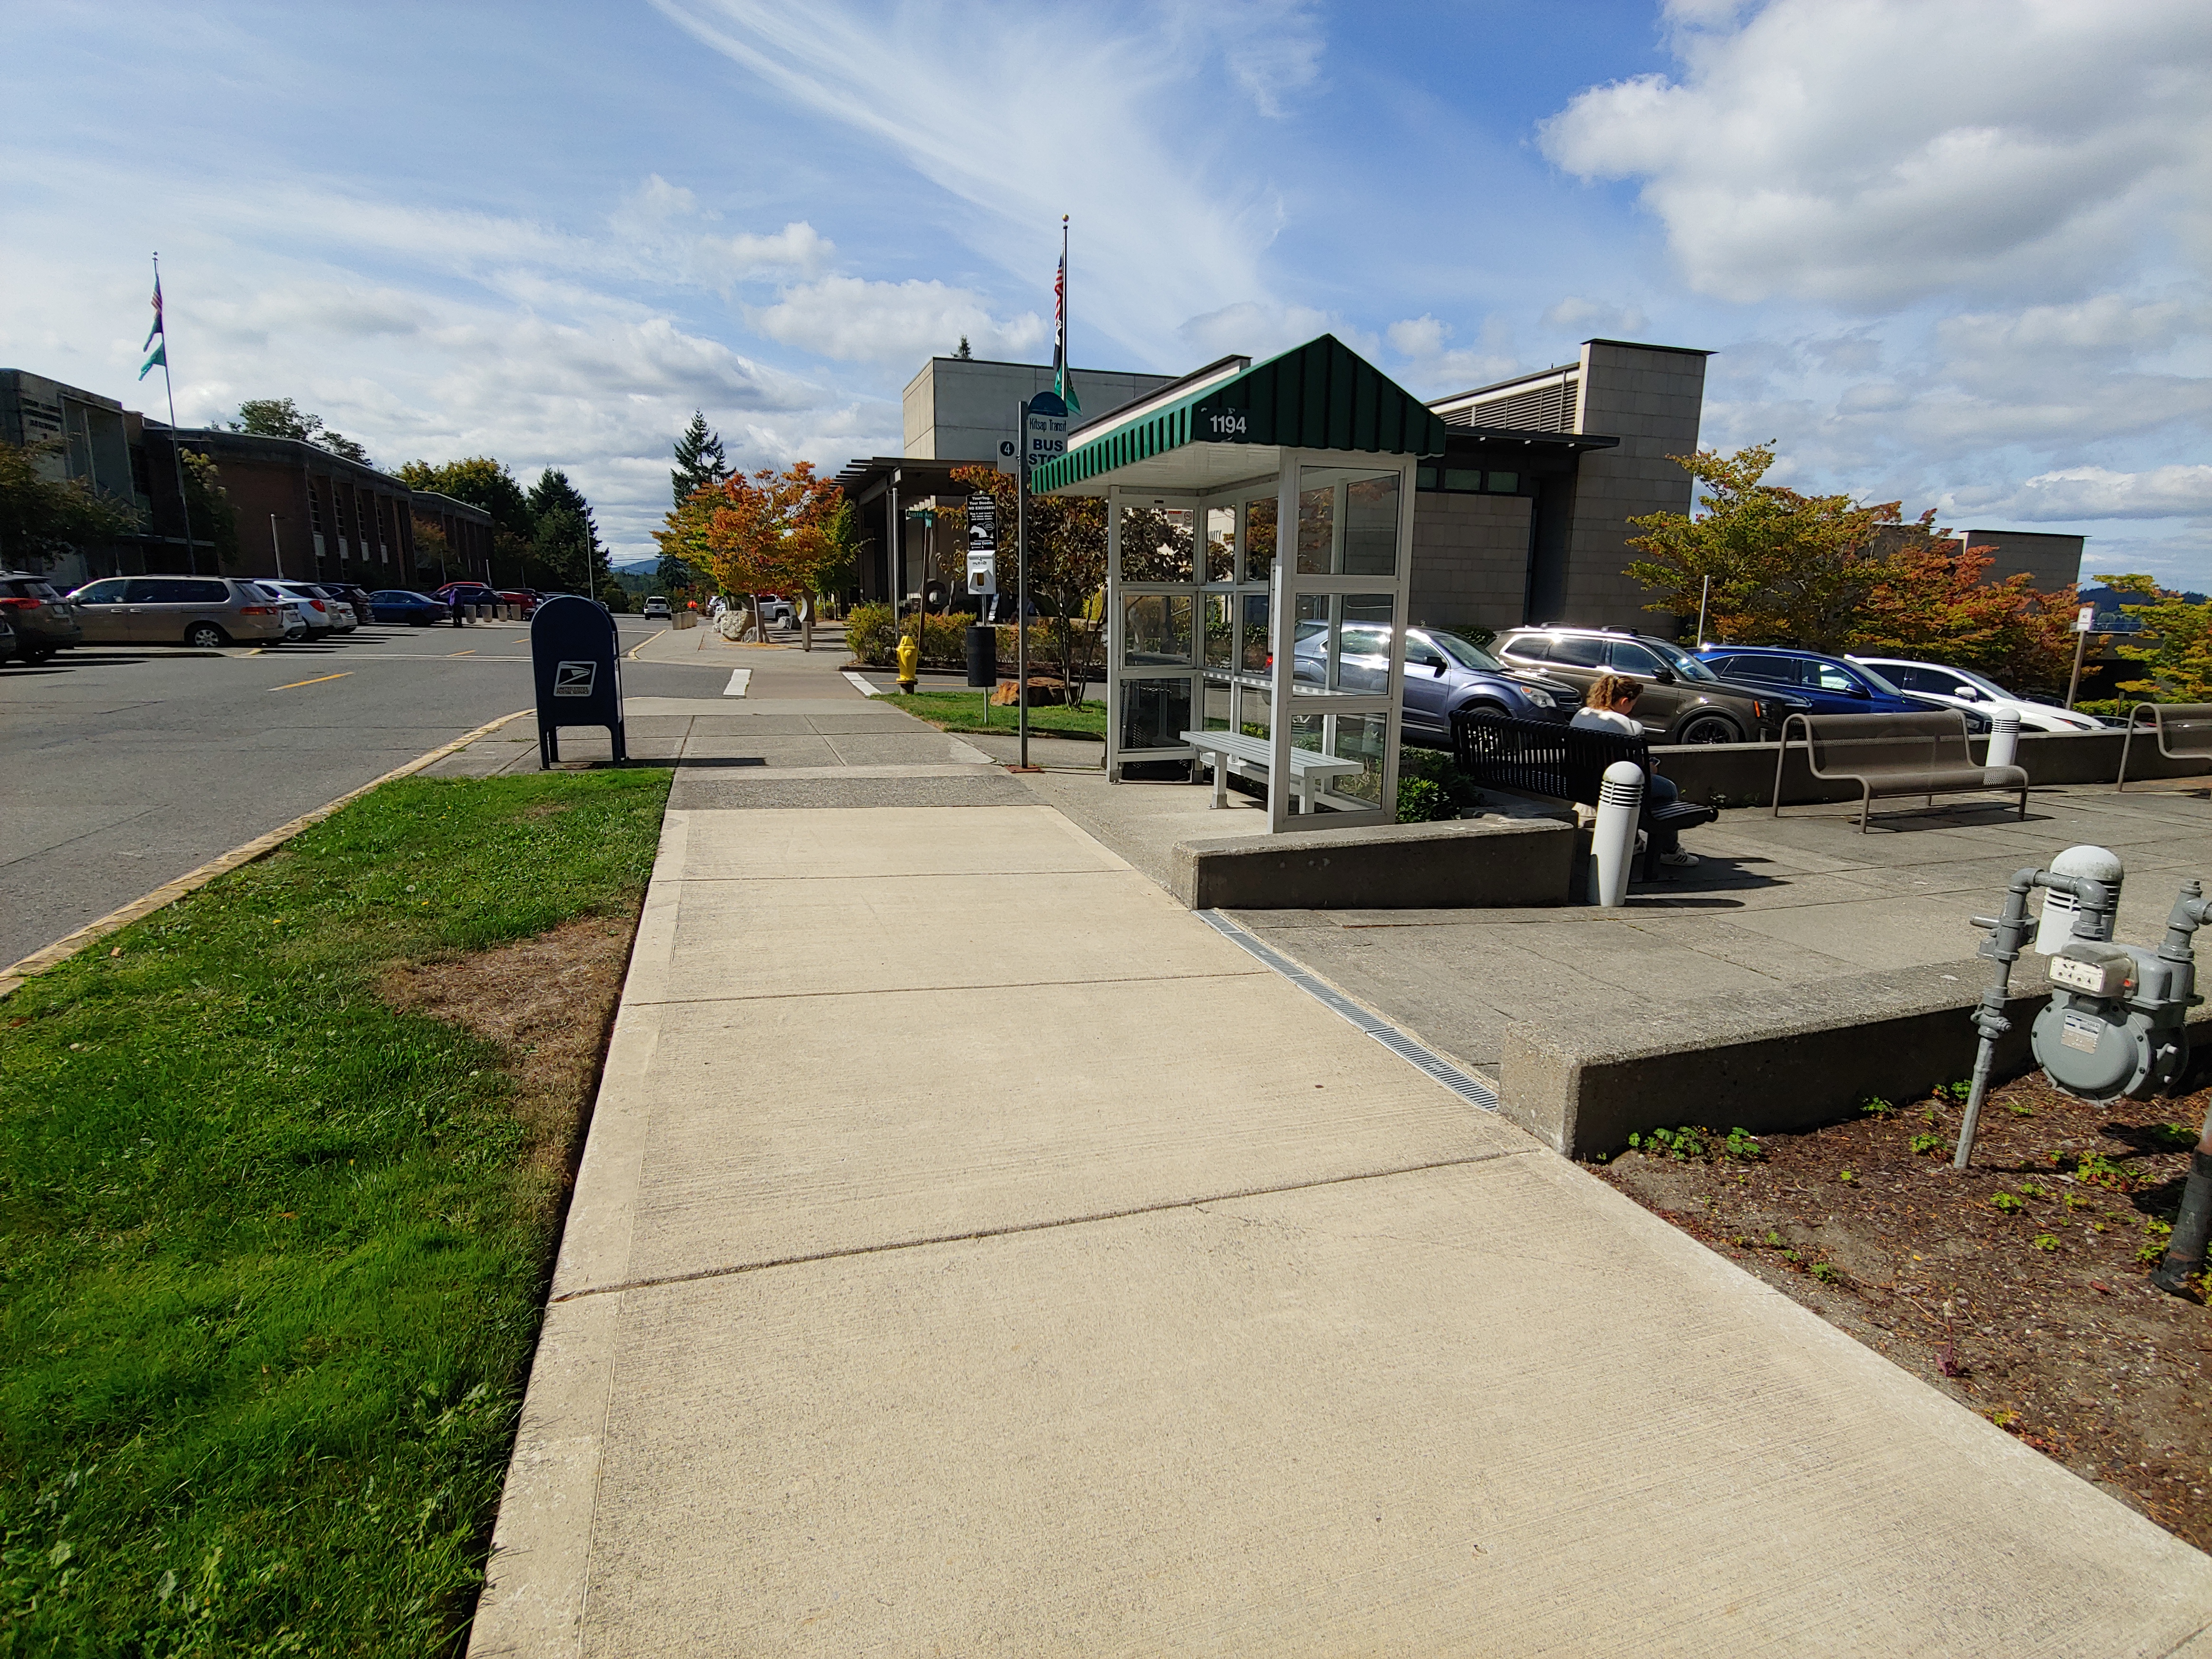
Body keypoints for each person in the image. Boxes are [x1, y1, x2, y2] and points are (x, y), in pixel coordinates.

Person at [1570, 674, 1699, 868]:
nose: (1632, 709)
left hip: (1581, 785)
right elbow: (1637, 770)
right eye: (1633, 704)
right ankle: (1670, 851)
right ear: (1624, 701)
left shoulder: (1581, 716)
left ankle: (1636, 842)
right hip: (1611, 787)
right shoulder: (1629, 726)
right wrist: (1652, 768)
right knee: (1668, 790)